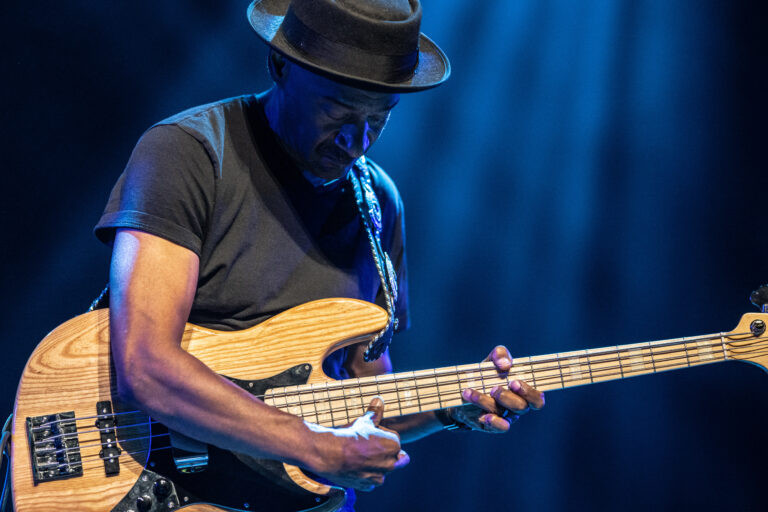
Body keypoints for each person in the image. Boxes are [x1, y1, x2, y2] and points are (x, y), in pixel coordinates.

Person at [94, 0, 545, 508]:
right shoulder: (190, 152)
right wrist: (312, 445)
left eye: (381, 117)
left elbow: (366, 402)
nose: (359, 141)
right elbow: (145, 365)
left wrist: (454, 406)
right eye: (340, 109)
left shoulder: (379, 204)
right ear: (281, 66)